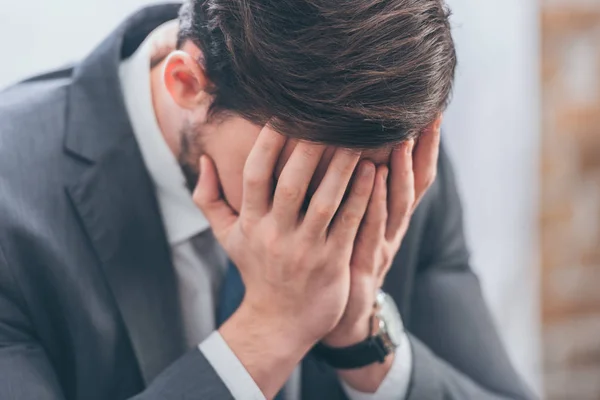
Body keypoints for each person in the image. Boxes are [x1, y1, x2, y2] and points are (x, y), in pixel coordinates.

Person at [0, 1, 535, 399]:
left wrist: (363, 343)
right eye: (300, 176)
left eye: (359, 176)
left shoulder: (393, 169)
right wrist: (269, 330)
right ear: (186, 84)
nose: (335, 212)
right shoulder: (12, 202)